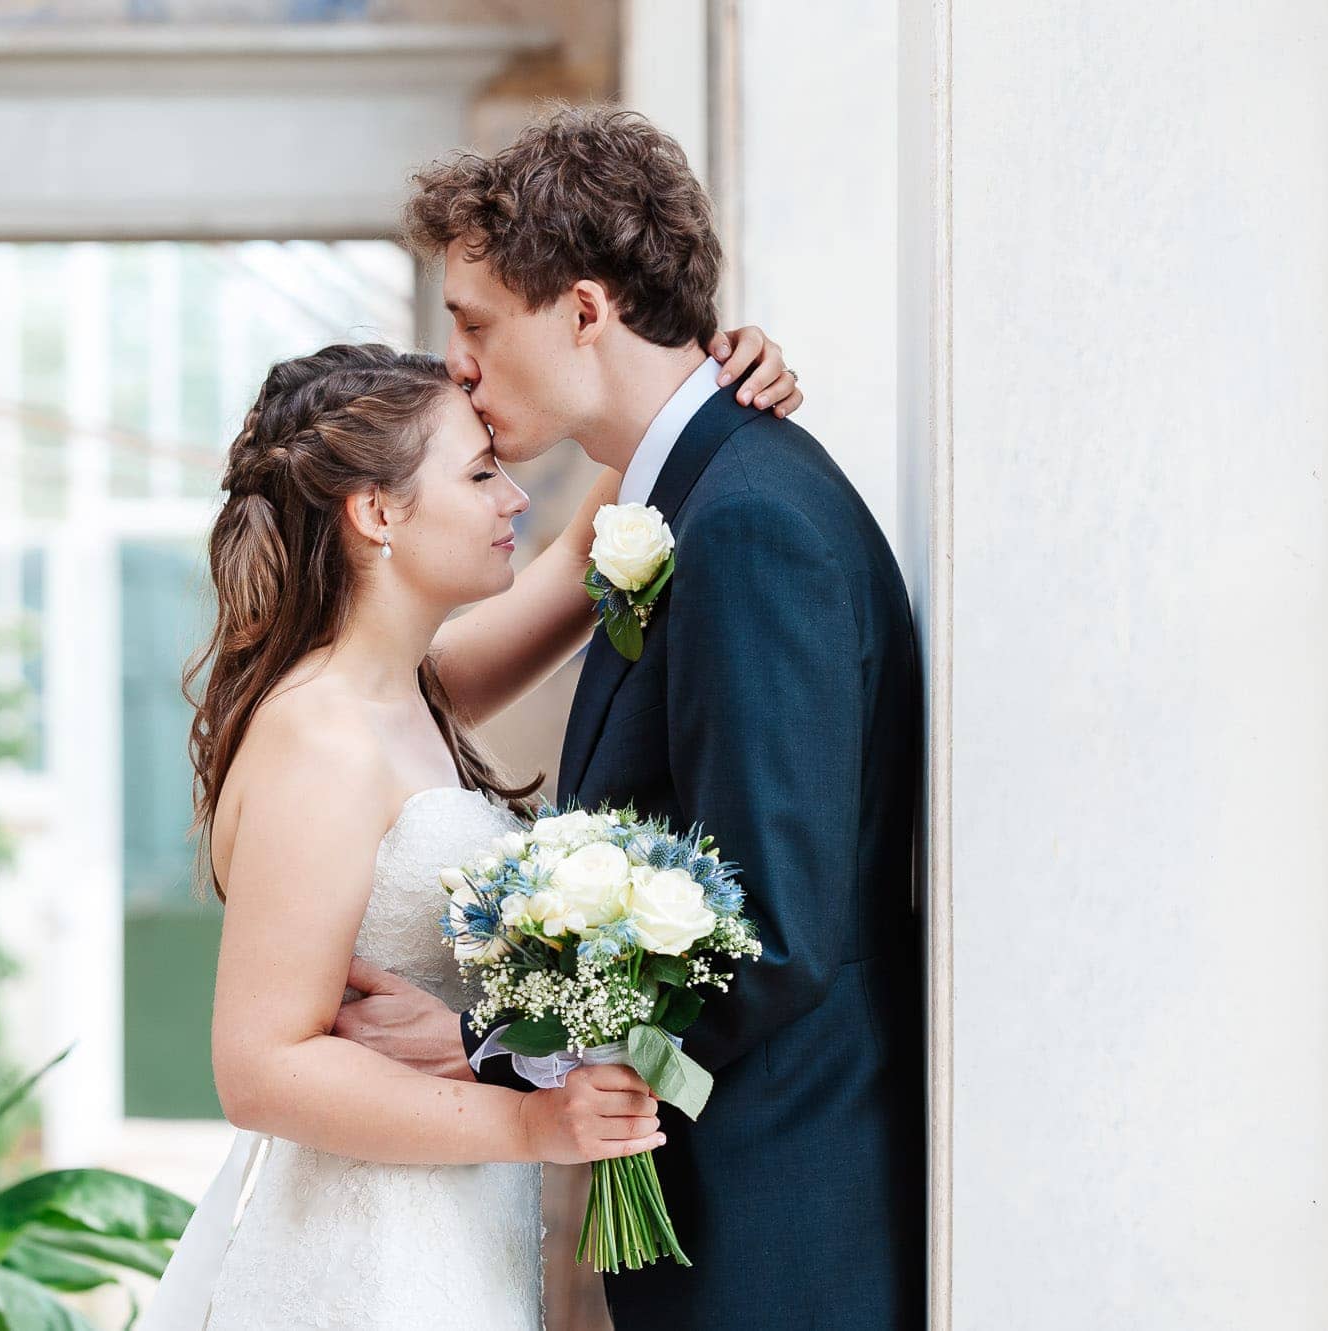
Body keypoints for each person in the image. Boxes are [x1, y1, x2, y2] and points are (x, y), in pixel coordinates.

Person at [333, 105, 927, 1331]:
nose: (459, 363)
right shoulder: (688, 499)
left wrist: (492, 1037)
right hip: (731, 1220)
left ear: (587, 311)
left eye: (475, 323)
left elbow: (772, 929)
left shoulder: (748, 522)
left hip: (782, 1231)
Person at [144, 321, 802, 1326]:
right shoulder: (317, 739)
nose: (512, 497)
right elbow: (260, 1065)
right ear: (376, 512)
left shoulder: (413, 694)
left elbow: (580, 558)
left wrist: (701, 383)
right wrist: (533, 1119)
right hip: (363, 1265)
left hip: (447, 1234)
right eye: (481, 473)